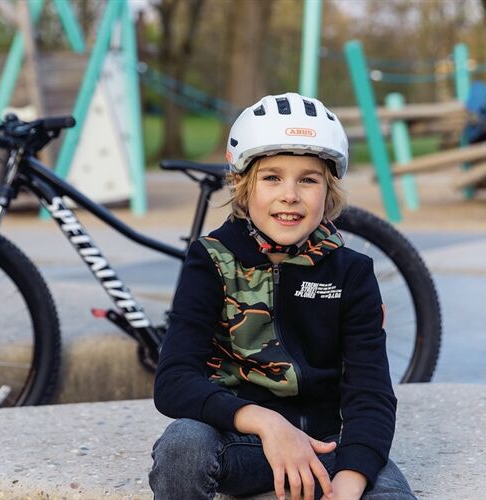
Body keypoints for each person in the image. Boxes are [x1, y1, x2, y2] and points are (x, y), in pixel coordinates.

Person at [149, 92, 415, 500]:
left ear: (328, 190)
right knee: (183, 444)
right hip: (243, 440)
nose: (290, 195)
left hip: (326, 448)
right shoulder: (211, 260)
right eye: (272, 177)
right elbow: (174, 381)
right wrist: (266, 423)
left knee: (388, 492)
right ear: (242, 185)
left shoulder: (352, 272)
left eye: (308, 180)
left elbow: (371, 393)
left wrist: (348, 483)